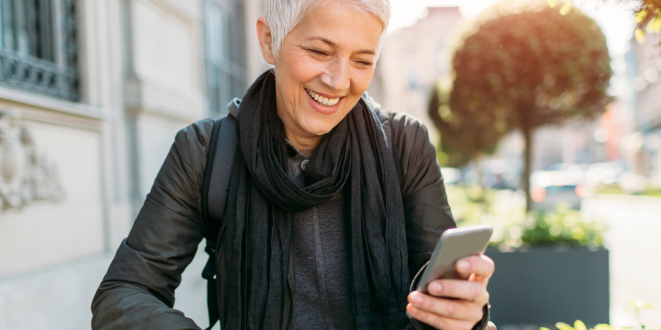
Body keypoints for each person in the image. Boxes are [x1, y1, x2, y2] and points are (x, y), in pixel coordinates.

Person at [91, 0, 496, 329]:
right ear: (269, 41)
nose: (339, 81)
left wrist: (460, 311)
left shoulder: (405, 144)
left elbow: (437, 282)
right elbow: (124, 292)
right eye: (320, 51)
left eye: (361, 60)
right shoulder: (204, 150)